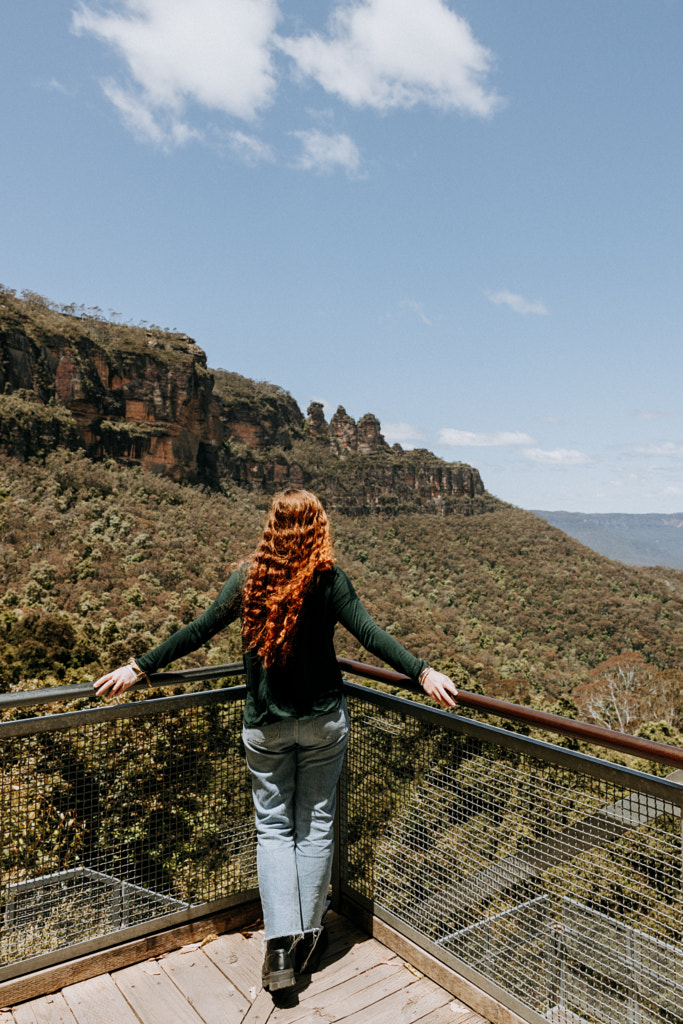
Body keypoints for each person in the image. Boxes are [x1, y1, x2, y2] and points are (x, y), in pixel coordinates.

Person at [94, 488, 458, 993]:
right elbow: (371, 635)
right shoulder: (329, 580)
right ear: (318, 527)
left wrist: (140, 666)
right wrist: (422, 673)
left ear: (272, 526)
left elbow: (198, 630)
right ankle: (307, 939)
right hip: (323, 722)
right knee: (315, 824)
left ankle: (280, 950)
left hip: (265, 724)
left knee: (273, 830)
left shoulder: (249, 578)